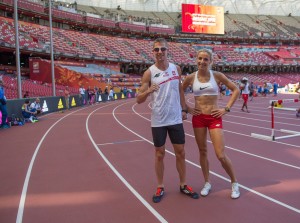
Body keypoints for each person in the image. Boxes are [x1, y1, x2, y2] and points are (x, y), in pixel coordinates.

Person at [136, 38, 199, 203]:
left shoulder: (175, 69)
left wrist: (184, 108)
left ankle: (183, 184)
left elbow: (179, 90)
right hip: (158, 119)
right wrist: (149, 90)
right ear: (153, 52)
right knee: (159, 154)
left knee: (181, 153)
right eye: (156, 50)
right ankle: (160, 186)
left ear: (167, 51)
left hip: (175, 118)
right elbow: (139, 99)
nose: (160, 52)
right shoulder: (149, 73)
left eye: (162, 49)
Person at [182, 48, 240, 199]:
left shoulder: (217, 76)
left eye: (205, 59)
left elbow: (236, 90)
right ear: (196, 60)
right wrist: (187, 108)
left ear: (211, 61)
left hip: (214, 117)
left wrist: (226, 109)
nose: (202, 61)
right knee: (202, 151)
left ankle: (234, 183)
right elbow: (178, 91)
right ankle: (207, 182)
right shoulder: (190, 77)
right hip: (199, 117)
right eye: (199, 59)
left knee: (220, 154)